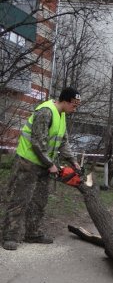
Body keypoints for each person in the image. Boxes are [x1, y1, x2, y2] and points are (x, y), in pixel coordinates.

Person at [2, 87, 82, 251]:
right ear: (66, 101)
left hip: (44, 165)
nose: (75, 108)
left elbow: (63, 141)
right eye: (74, 105)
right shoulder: (46, 112)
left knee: (39, 201)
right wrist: (51, 165)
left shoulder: (62, 116)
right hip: (28, 162)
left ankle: (33, 233)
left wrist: (73, 161)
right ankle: (9, 236)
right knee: (20, 200)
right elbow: (37, 143)